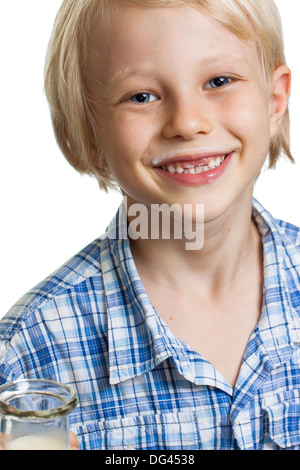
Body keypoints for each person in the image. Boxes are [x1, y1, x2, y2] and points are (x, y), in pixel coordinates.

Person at [0, 0, 299, 450]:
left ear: (274, 102)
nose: (187, 122)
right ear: (90, 131)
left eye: (219, 81)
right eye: (141, 96)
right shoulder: (28, 355)